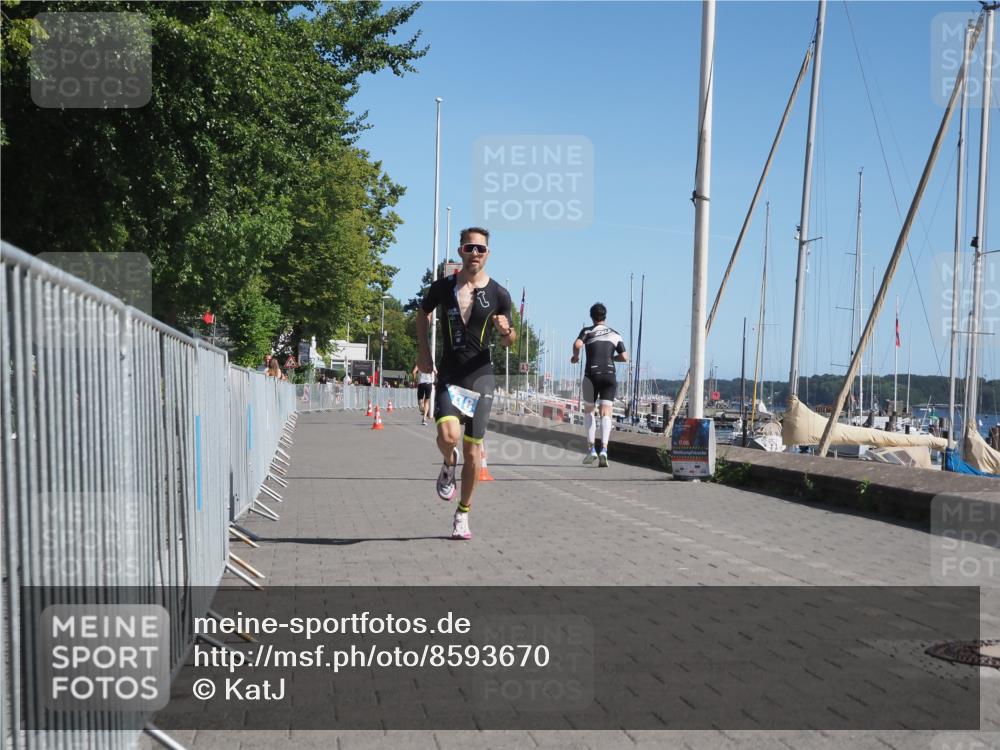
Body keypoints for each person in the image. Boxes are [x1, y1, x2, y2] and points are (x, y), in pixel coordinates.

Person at [415, 227, 516, 540]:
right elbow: (422, 312)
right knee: (448, 435)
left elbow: (511, 340)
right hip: (449, 373)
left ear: (488, 254)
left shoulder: (499, 294)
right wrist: (423, 352)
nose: (475, 253)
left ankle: (463, 513)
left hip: (481, 376)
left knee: (474, 453)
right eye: (470, 247)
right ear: (460, 251)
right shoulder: (443, 287)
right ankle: (448, 462)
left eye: (481, 249)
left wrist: (505, 330)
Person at [572, 303, 627, 467]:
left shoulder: (587, 331)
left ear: (591, 317)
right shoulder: (615, 334)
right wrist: (611, 359)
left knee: (589, 412)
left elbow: (577, 345)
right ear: (605, 317)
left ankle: (591, 450)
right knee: (606, 413)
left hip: (591, 375)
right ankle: (604, 449)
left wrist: (576, 358)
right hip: (609, 375)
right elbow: (624, 356)